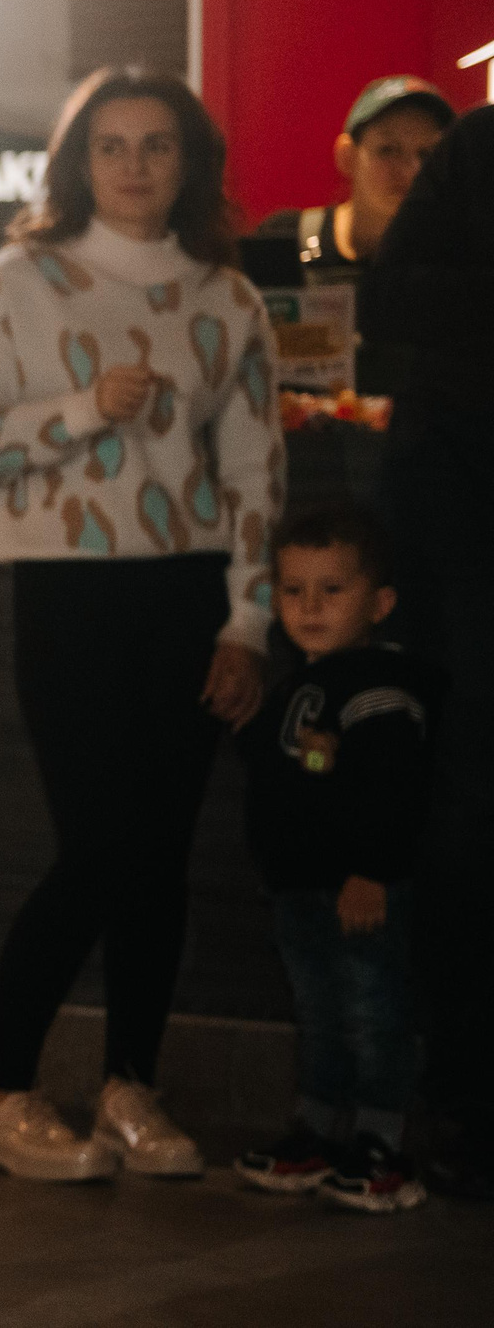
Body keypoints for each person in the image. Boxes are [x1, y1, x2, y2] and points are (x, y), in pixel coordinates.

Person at [0, 65, 283, 1183]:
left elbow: (255, 471)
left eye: (157, 146)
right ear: (77, 162)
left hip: (187, 593)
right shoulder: (20, 281)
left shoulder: (228, 300)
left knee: (162, 858)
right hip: (69, 593)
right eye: (111, 146)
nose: (133, 166)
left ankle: (133, 1084)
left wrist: (247, 623)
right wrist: (84, 409)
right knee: (98, 847)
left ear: (190, 166)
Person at [358, 104, 494, 1201]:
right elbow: (387, 292)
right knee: (469, 807)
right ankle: (456, 1100)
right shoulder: (482, 147)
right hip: (464, 531)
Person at [232, 505, 434, 1213]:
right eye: (293, 590)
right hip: (302, 889)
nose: (309, 607)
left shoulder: (378, 686)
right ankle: (318, 1129)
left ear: (379, 602)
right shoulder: (303, 685)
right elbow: (312, 768)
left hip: (357, 889)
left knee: (372, 1012)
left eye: (332, 590)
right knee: (318, 1012)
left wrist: (372, 869)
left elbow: (392, 788)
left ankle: (382, 1142)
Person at [240, 75, 452, 395]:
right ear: (347, 157)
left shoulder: (458, 265)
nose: (411, 171)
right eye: (388, 150)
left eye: (429, 155)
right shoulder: (285, 241)